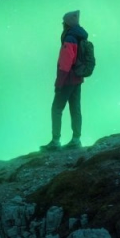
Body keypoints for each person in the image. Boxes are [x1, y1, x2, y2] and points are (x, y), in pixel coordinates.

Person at [45, 9, 88, 150]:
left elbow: (65, 63)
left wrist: (59, 83)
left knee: (56, 108)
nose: (63, 23)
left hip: (68, 80)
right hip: (77, 78)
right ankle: (76, 139)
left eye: (64, 21)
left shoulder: (69, 38)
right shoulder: (80, 36)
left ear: (68, 23)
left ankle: (55, 141)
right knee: (75, 109)